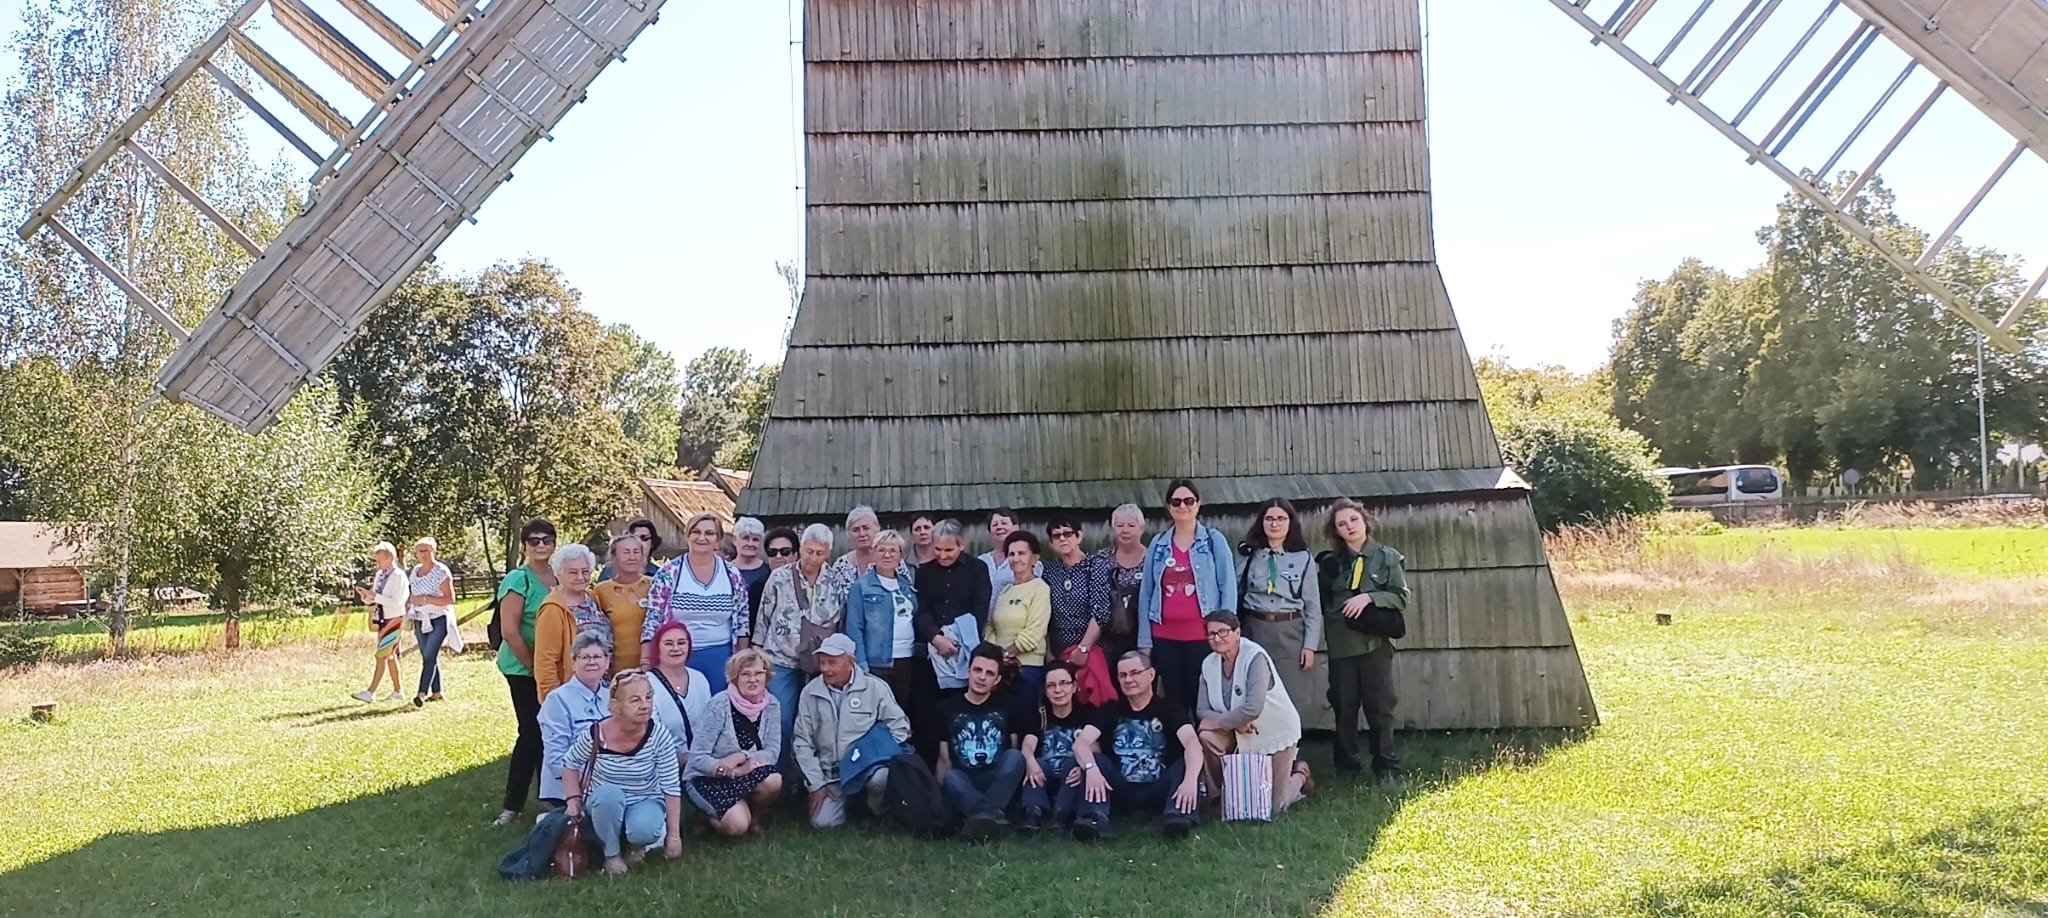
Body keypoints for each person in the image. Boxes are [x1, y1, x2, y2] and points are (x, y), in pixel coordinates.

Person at [1319, 498, 1409, 783]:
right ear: (1336, 531)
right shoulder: (1331, 564)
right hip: (1342, 645)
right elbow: (1320, 601)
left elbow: (1401, 596)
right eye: (1342, 524)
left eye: (1353, 520)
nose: (1349, 527)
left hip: (1375, 645)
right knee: (1344, 707)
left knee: (1380, 706)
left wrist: (1369, 597)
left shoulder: (1387, 558)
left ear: (1365, 521)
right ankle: (1347, 768)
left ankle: (1386, 767)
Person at [561, 670, 683, 875]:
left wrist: (674, 836)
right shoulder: (597, 733)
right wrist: (573, 799)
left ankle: (636, 846)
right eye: (635, 700)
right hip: (604, 801)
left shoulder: (659, 735)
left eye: (648, 697)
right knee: (608, 795)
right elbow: (569, 763)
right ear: (616, 706)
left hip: (644, 798)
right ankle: (611, 854)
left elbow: (671, 786)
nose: (645, 705)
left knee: (645, 829)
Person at [1072, 650, 1203, 840]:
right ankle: (1095, 820)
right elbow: (1081, 743)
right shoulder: (1111, 709)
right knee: (1096, 760)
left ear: (1151, 675)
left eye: (1135, 673)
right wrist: (1091, 769)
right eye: (1123, 675)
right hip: (1120, 787)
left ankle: (1176, 818)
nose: (1128, 680)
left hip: (1159, 787)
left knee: (1186, 762)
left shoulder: (1169, 708)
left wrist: (1191, 779)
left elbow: (1192, 742)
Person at [792, 634, 912, 829]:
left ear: (850, 662)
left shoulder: (876, 688)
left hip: (867, 768)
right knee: (823, 823)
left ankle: (877, 808)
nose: (825, 669)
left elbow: (900, 728)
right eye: (822, 662)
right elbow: (801, 742)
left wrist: (876, 751)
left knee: (882, 777)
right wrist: (816, 784)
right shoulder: (809, 692)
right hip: (830, 774)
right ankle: (845, 802)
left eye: (832, 663)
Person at [1195, 612, 1311, 813]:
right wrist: (1233, 723)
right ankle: (1219, 798)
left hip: (1273, 730)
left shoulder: (1255, 657)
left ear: (1237, 632)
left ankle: (1300, 775)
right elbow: (1201, 709)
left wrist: (1218, 722)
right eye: (1211, 633)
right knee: (1207, 737)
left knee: (1273, 808)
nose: (1216, 638)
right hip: (1237, 729)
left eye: (1223, 632)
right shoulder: (1208, 663)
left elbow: (1253, 708)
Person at [1138, 479, 1237, 710]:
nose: (1183, 506)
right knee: (1173, 701)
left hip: (1202, 637)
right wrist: (1145, 641)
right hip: (1164, 637)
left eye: (1188, 500)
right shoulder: (1158, 544)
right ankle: (1177, 746)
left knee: (1203, 699)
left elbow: (1228, 587)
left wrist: (1227, 633)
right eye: (1176, 501)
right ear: (1169, 506)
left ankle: (1203, 746)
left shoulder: (1214, 541)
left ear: (1198, 504)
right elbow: (1147, 593)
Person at [757, 524, 839, 771]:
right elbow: (763, 617)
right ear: (800, 548)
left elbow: (840, 619)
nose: (813, 558)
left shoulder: (835, 579)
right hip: (781, 658)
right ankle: (780, 775)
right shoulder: (779, 577)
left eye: (820, 553)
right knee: (781, 718)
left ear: (828, 553)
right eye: (809, 551)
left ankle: (815, 776)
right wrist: (757, 654)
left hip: (819, 661)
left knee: (817, 720)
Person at [494, 518, 560, 826]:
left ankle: (551, 800)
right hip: (524, 668)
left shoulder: (560, 576)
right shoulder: (517, 580)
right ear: (524, 545)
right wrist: (537, 669)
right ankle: (512, 806)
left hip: (557, 668)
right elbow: (510, 631)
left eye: (547, 539)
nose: (541, 545)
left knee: (555, 734)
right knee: (532, 733)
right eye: (534, 540)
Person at [908, 519, 989, 762]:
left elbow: (980, 608)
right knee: (928, 712)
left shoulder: (977, 569)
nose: (942, 555)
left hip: (965, 649)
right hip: (932, 651)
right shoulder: (924, 573)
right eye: (938, 549)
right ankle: (932, 770)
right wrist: (936, 638)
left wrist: (957, 640)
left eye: (949, 550)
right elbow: (921, 611)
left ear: (961, 545)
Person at [642, 512, 751, 694]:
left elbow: (742, 623)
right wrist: (646, 661)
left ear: (718, 539)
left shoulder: (732, 574)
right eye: (696, 532)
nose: (702, 538)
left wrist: (742, 661)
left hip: (720, 658)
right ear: (688, 535)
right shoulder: (669, 573)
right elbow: (652, 618)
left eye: (709, 533)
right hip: (677, 658)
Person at [1238, 498, 1323, 724]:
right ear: (1261, 522)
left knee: (1291, 693)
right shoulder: (1248, 555)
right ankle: (1260, 753)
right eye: (1269, 518)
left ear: (1290, 522)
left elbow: (1313, 606)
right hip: (1255, 627)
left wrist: (1310, 645)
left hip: (1290, 630)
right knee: (1256, 690)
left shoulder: (1303, 557)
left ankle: (1292, 755)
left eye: (1281, 518)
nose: (1275, 524)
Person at [685, 648, 784, 835]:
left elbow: (772, 751)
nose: (753, 679)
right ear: (734, 677)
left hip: (744, 771)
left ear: (767, 676)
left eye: (758, 673)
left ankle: (753, 817)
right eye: (745, 674)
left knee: (773, 780)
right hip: (709, 776)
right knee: (737, 827)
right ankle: (707, 816)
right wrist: (726, 770)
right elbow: (697, 758)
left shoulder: (772, 705)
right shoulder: (719, 704)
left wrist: (742, 758)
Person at [935, 644, 1026, 840]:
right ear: (968, 671)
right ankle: (993, 816)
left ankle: (980, 818)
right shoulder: (945, 708)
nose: (982, 677)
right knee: (951, 777)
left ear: (997, 679)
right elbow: (944, 759)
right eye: (977, 670)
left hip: (997, 779)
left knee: (1015, 757)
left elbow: (1013, 748)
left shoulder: (1008, 705)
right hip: (964, 781)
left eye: (989, 673)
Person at [843, 531, 921, 711]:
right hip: (877, 662)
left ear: (901, 555)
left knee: (902, 711)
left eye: (893, 551)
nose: (887, 555)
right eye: (881, 550)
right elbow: (854, 628)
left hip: (907, 659)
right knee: (878, 711)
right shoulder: (861, 587)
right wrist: (862, 666)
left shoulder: (906, 586)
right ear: (872, 553)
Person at [1018, 662, 1100, 833]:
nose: (1058, 690)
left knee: (1073, 763)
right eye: (1051, 685)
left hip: (1072, 777)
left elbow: (1095, 748)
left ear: (1074, 686)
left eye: (1064, 683)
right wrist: (1030, 760)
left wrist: (1083, 765)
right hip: (1045, 776)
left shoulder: (1087, 713)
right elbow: (1028, 744)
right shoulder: (1039, 715)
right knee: (1036, 764)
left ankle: (1061, 815)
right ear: (1045, 691)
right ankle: (1033, 814)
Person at [539, 631, 613, 809]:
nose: (592, 662)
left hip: (609, 780)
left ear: (607, 662)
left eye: (597, 656)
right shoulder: (557, 700)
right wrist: (584, 784)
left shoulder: (612, 697)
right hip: (569, 789)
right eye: (584, 657)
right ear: (573, 663)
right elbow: (556, 757)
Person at [533, 543, 610, 701]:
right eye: (573, 572)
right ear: (558, 574)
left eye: (585, 571)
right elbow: (545, 661)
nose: (580, 577)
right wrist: (552, 701)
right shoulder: (553, 609)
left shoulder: (592, 597)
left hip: (603, 689)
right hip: (573, 693)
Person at [988, 530, 1052, 713]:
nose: (1016, 558)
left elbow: (1035, 631)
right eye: (1011, 554)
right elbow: (991, 626)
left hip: (1027, 669)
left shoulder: (1040, 589)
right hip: (1000, 668)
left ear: (1035, 558)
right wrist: (996, 653)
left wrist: (1007, 654)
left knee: (1024, 721)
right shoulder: (1006, 590)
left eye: (1022, 553)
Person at [646, 621, 711, 777]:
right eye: (669, 644)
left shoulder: (699, 678)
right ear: (658, 649)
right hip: (665, 762)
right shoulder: (646, 683)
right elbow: (650, 735)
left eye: (681, 643)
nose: (676, 648)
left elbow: (711, 723)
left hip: (703, 758)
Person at [1042, 515, 1109, 664]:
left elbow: (1100, 612)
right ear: (1051, 542)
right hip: (1058, 651)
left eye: (1067, 533)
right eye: (1056, 535)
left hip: (1091, 649)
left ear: (1079, 536)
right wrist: (1049, 652)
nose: (1062, 539)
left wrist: (1083, 648)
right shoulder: (1050, 571)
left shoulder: (1095, 565)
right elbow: (1045, 615)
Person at [405, 537, 461, 707]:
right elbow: (411, 594)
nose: (424, 554)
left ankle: (421, 693)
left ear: (434, 551)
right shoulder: (415, 571)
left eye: (427, 550)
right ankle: (437, 692)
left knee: (429, 656)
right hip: (420, 618)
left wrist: (425, 599)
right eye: (420, 550)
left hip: (439, 618)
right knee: (428, 655)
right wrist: (410, 603)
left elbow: (450, 599)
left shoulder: (441, 572)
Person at [1090, 504, 1149, 664]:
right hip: (1107, 639)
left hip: (1143, 637)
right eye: (1120, 525)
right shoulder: (1101, 559)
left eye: (1131, 525)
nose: (1125, 530)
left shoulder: (1153, 559)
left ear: (1141, 528)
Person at [353, 542, 408, 703]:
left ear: (390, 558)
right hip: (382, 617)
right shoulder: (380, 575)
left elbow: (398, 601)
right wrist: (366, 596)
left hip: (394, 618)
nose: (378, 564)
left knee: (382, 655)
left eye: (380, 560)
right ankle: (398, 690)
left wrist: (375, 596)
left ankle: (371, 692)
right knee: (389, 656)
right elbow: (376, 596)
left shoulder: (398, 576)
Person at [594, 533, 653, 672]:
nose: (632, 557)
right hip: (615, 670)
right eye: (626, 552)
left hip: (651, 668)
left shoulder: (654, 586)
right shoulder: (601, 591)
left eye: (636, 552)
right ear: (614, 557)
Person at [976, 508, 1039, 616]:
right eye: (995, 524)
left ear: (1016, 527)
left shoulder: (1029, 561)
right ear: (990, 531)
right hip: (983, 627)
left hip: (1016, 624)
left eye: (1004, 523)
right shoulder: (981, 561)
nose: (999, 527)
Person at [821, 505, 883, 612]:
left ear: (877, 529)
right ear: (848, 534)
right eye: (856, 530)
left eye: (866, 528)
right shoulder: (841, 565)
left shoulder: (891, 559)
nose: (862, 534)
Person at [600, 518, 665, 580]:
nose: (639, 542)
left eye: (644, 538)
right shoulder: (609, 571)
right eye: (635, 537)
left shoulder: (660, 574)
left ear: (653, 543)